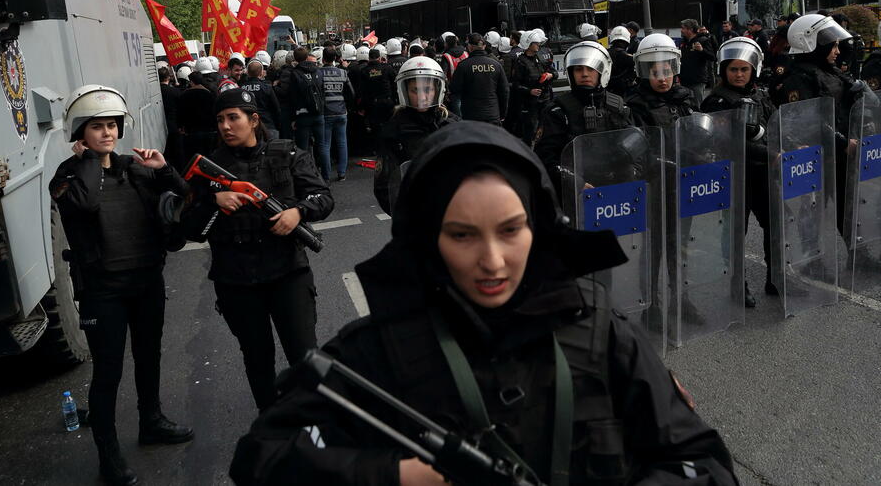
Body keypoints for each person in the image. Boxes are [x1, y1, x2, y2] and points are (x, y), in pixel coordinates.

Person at [231, 121, 739, 486]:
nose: (493, 261)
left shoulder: (596, 322)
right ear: (429, 239)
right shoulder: (380, 349)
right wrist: (393, 474)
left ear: (538, 227)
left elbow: (701, 459)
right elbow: (261, 457)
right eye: (462, 235)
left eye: (511, 230)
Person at [50, 85, 193, 486]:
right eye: (97, 127)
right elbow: (86, 205)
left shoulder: (136, 167)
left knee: (149, 357)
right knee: (108, 372)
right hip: (102, 289)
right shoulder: (66, 175)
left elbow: (184, 197)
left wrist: (163, 168)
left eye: (112, 125)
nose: (108, 133)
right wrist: (91, 161)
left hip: (146, 278)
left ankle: (152, 422)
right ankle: (108, 457)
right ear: (81, 132)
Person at [184, 88, 334, 412]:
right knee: (257, 358)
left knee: (306, 355)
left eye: (233, 118)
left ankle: (317, 422)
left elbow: (323, 197)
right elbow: (190, 230)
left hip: (287, 271)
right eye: (220, 119)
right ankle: (271, 426)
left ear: (253, 120)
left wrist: (298, 213)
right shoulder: (210, 168)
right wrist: (214, 202)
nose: (225, 126)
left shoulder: (287, 154)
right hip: (237, 280)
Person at [701, 38, 775, 307]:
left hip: (764, 174)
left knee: (774, 225)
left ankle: (775, 278)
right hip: (734, 175)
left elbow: (775, 123)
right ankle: (737, 285)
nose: (739, 74)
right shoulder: (717, 101)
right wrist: (771, 153)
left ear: (753, 69)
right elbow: (727, 142)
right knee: (734, 234)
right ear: (723, 71)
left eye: (744, 69)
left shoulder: (760, 94)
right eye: (733, 69)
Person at [779, 13, 868, 224]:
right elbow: (809, 120)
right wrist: (843, 143)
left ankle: (858, 254)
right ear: (812, 43)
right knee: (812, 213)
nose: (837, 51)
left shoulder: (831, 70)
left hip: (842, 153)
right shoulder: (799, 78)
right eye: (833, 45)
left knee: (851, 211)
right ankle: (810, 256)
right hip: (817, 157)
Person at [534, 41, 634, 190]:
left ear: (602, 71)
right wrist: (573, 182)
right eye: (578, 69)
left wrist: (632, 172)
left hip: (616, 188)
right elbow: (546, 157)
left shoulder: (618, 106)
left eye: (590, 68)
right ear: (571, 73)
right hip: (577, 192)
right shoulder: (558, 110)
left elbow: (634, 147)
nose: (585, 74)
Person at [374, 56, 458, 214]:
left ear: (437, 90)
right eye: (415, 90)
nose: (422, 97)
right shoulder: (393, 131)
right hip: (415, 216)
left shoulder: (451, 124)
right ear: (404, 91)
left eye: (428, 89)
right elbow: (384, 186)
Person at [626, 33, 697, 127]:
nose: (662, 79)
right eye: (655, 73)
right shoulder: (636, 106)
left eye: (667, 72)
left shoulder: (685, 97)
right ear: (645, 76)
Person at [448, 32, 509, 124]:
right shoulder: (496, 65)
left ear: (470, 47)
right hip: (492, 115)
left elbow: (454, 89)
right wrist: (502, 113)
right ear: (484, 46)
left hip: (471, 116)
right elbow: (505, 91)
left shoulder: (463, 66)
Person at [287, 47, 328, 172]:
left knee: (303, 149)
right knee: (322, 147)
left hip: (302, 115)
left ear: (295, 59)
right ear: (307, 57)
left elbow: (293, 97)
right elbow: (323, 91)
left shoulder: (294, 73)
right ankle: (326, 176)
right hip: (318, 113)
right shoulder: (318, 71)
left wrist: (293, 118)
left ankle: (306, 176)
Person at [512, 28, 555, 144]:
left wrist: (550, 75)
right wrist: (529, 91)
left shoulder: (540, 58)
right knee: (530, 131)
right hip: (530, 104)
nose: (538, 45)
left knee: (547, 129)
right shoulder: (520, 62)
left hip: (545, 100)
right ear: (528, 45)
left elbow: (554, 72)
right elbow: (515, 84)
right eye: (536, 43)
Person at [319, 46, 356, 181]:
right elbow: (351, 93)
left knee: (325, 144)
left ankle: (326, 175)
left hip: (326, 112)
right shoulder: (343, 73)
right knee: (342, 142)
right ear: (335, 58)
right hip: (341, 112)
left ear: (323, 59)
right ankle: (342, 173)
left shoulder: (319, 73)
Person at [361, 47, 397, 152]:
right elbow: (394, 84)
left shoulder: (364, 71)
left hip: (373, 104)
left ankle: (378, 149)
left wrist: (364, 106)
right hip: (388, 101)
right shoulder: (387, 68)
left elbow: (363, 91)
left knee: (376, 127)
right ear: (379, 57)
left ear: (369, 58)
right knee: (389, 123)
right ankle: (389, 147)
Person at [177, 71, 217, 163]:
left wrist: (180, 126)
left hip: (191, 132)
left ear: (191, 82)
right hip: (209, 131)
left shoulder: (184, 95)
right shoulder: (210, 94)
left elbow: (181, 113)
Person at [238, 59, 282, 139]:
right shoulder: (267, 88)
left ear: (247, 72)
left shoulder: (241, 89)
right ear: (261, 73)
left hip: (248, 126)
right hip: (268, 125)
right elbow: (276, 108)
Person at [678, 18, 717, 105]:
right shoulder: (683, 42)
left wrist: (702, 50)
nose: (681, 30)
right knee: (685, 105)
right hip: (684, 80)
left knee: (697, 105)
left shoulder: (703, 40)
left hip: (697, 81)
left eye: (683, 28)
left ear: (690, 29)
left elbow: (712, 57)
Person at [605, 25, 636, 97]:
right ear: (627, 40)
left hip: (606, 91)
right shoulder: (630, 58)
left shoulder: (604, 54)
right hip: (625, 94)